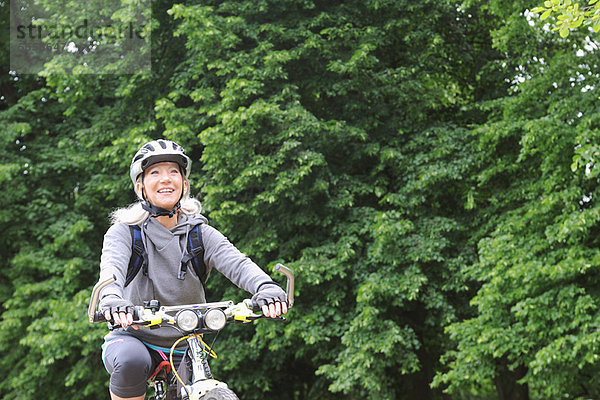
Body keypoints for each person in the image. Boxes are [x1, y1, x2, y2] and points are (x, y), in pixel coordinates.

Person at [97, 139, 288, 400]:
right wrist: (111, 299)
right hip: (134, 338)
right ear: (140, 186)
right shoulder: (125, 232)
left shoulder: (199, 233)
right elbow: (112, 270)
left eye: (173, 172)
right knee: (131, 361)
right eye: (155, 172)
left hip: (187, 342)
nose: (166, 179)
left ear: (184, 185)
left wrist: (266, 287)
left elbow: (237, 262)